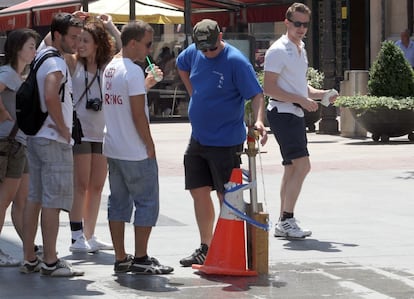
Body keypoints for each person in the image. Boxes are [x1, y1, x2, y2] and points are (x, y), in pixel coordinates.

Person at [176, 19, 267, 267]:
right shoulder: (195, 51)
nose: (207, 53)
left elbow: (256, 94)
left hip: (226, 141)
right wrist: (192, 92)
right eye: (203, 49)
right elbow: (181, 64)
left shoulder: (236, 61)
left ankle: (230, 247)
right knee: (197, 190)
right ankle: (207, 246)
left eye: (211, 48)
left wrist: (259, 121)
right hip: (198, 137)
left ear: (220, 36)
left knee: (225, 195)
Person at [102, 20, 173, 275]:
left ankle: (121, 257)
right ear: (132, 43)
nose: (149, 50)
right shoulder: (132, 71)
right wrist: (150, 144)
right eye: (146, 44)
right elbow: (137, 113)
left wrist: (147, 85)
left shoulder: (110, 68)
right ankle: (141, 257)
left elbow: (122, 100)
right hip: (134, 149)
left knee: (118, 203)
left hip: (114, 147)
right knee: (146, 203)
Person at [263, 3, 337, 239]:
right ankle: (287, 219)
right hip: (283, 113)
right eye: (297, 24)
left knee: (291, 167)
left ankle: (283, 220)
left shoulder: (300, 49)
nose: (301, 28)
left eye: (305, 24)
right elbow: (269, 87)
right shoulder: (278, 50)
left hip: (291, 113)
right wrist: (301, 100)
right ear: (287, 23)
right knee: (303, 166)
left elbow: (298, 86)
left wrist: (320, 94)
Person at [20, 12, 84, 277]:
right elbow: (50, 94)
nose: (77, 43)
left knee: (34, 198)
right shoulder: (56, 63)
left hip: (35, 137)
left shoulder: (43, 54)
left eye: (80, 37)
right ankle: (50, 260)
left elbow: (50, 37)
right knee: (52, 201)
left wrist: (71, 18)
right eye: (72, 37)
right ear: (58, 36)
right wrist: (63, 129)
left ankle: (29, 258)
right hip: (52, 139)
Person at [64, 13, 120, 253]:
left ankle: (90, 234)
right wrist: (70, 22)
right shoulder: (73, 63)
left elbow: (122, 47)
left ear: (97, 43)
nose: (81, 45)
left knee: (97, 186)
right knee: (81, 184)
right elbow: (49, 44)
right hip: (80, 133)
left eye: (86, 40)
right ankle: (76, 236)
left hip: (101, 132)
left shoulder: (107, 66)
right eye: (79, 40)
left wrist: (110, 26)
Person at [0, 28, 39, 267]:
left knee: (22, 201)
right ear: (18, 50)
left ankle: (29, 248)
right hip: (9, 145)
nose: (34, 51)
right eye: (30, 47)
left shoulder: (16, 74)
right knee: (4, 200)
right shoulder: (7, 73)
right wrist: (3, 112)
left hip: (19, 144)